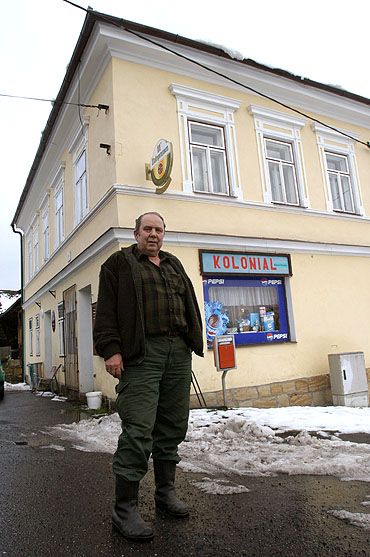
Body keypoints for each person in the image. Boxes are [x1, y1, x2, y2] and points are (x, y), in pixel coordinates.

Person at [93, 212, 203, 542]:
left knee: (172, 426)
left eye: (158, 229)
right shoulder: (118, 264)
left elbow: (190, 305)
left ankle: (165, 493)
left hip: (177, 353)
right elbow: (107, 310)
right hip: (142, 354)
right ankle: (124, 508)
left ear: (164, 234)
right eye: (147, 229)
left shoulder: (173, 264)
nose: (153, 234)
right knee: (139, 428)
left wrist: (193, 340)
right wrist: (111, 349)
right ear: (136, 233)